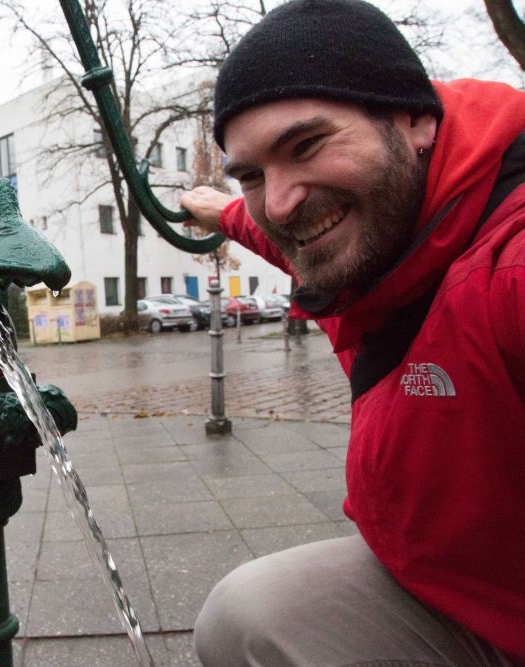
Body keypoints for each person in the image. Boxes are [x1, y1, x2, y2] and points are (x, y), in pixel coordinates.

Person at [178, 0, 525, 664]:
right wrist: (221, 209)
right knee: (244, 617)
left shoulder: (508, 269)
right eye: (252, 174)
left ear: (415, 118)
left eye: (305, 145)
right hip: (455, 586)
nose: (278, 202)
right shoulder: (379, 235)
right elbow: (279, 232)